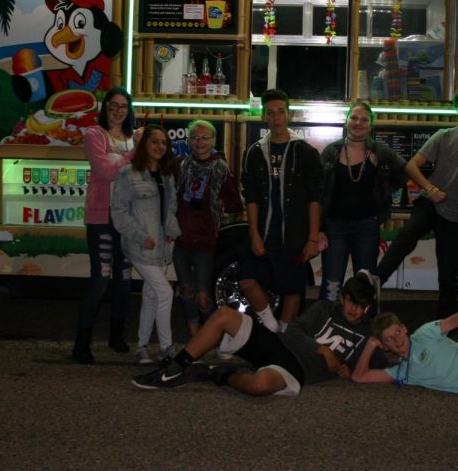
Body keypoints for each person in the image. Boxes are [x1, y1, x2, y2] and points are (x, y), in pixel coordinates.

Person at [132, 274, 387, 394]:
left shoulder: (366, 333)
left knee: (259, 385)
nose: (355, 310)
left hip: (296, 371)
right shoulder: (324, 308)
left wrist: (349, 370)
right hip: (280, 346)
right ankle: (175, 368)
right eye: (351, 302)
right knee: (224, 316)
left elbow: (380, 366)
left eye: (362, 305)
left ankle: (215, 374)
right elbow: (295, 332)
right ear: (342, 298)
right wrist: (324, 351)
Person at [371, 87, 458, 318]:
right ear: (457, 110)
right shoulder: (443, 136)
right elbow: (411, 166)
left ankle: (444, 331)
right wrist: (430, 188)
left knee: (449, 277)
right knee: (405, 237)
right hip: (430, 205)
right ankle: (371, 286)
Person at [239, 89, 323, 332]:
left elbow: (314, 198)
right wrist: (254, 234)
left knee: (293, 288)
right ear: (264, 117)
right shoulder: (254, 153)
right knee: (247, 279)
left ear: (289, 115)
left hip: (295, 233)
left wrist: (313, 238)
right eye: (270, 113)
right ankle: (272, 326)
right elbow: (251, 197)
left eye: (280, 112)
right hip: (264, 232)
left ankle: (283, 336)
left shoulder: (306, 152)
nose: (276, 117)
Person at [72, 87, 142, 365]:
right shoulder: (94, 134)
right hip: (102, 218)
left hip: (126, 220)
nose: (118, 110)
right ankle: (81, 343)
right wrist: (133, 153)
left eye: (123, 106)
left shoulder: (132, 136)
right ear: (105, 107)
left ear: (129, 109)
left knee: (124, 281)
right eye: (113, 105)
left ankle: (116, 336)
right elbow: (105, 172)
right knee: (100, 280)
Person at [318, 100, 406, 303]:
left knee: (365, 283)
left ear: (371, 125)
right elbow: (318, 193)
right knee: (332, 284)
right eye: (354, 117)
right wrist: (319, 228)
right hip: (334, 226)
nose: (358, 123)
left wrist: (383, 187)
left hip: (367, 225)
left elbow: (403, 172)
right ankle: (325, 326)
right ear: (346, 120)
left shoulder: (380, 152)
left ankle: (367, 328)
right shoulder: (331, 152)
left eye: (364, 119)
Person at [111, 124, 181, 365]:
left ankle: (142, 347)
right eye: (154, 142)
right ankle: (166, 347)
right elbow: (119, 213)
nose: (160, 146)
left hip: (162, 247)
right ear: (143, 145)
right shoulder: (127, 174)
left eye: (164, 142)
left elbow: (170, 208)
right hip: (141, 246)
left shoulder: (166, 175)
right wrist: (142, 236)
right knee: (165, 292)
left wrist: (172, 230)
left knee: (152, 295)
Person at [173, 119, 243, 336]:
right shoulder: (180, 164)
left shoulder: (221, 168)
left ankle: (213, 336)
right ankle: (195, 337)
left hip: (205, 240)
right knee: (185, 290)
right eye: (195, 137)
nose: (199, 142)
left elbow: (234, 203)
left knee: (203, 294)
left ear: (213, 140)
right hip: (181, 238)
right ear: (189, 140)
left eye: (205, 137)